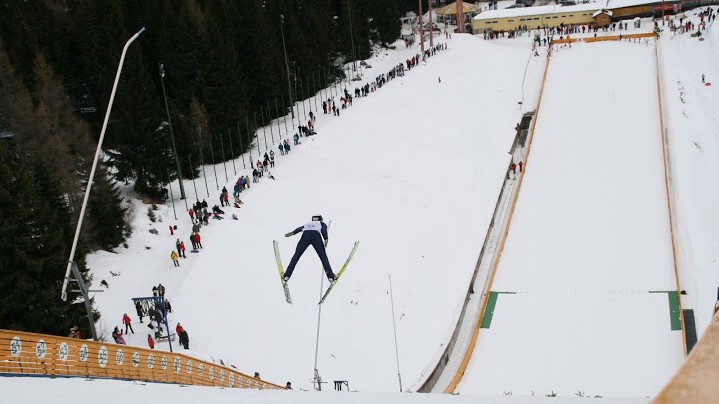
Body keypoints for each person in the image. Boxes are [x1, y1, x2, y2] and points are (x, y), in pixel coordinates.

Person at [283, 215, 335, 282]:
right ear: (320, 219)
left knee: (296, 255)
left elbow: (300, 228)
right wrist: (326, 239)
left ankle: (287, 275)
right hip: (316, 236)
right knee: (323, 256)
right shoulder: (321, 223)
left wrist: (293, 232)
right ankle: (330, 276)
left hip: (305, 236)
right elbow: (324, 230)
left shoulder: (308, 223)